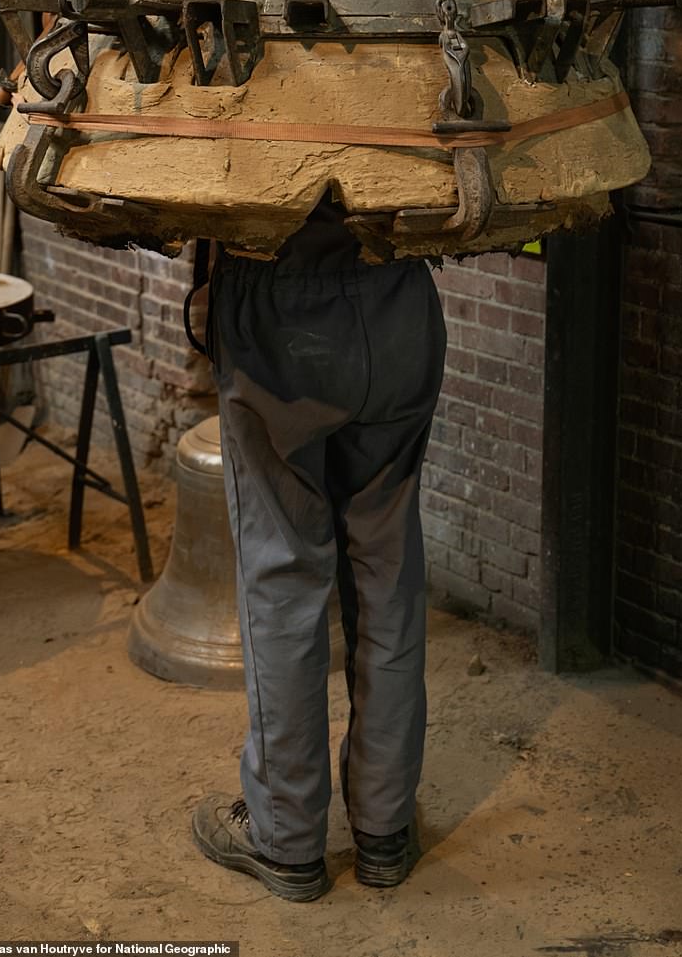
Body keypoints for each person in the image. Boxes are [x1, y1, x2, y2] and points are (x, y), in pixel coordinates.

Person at [191, 194, 447, 901]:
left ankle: (288, 837)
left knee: (284, 566)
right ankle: (385, 829)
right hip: (397, 290)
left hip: (277, 300)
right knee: (389, 562)